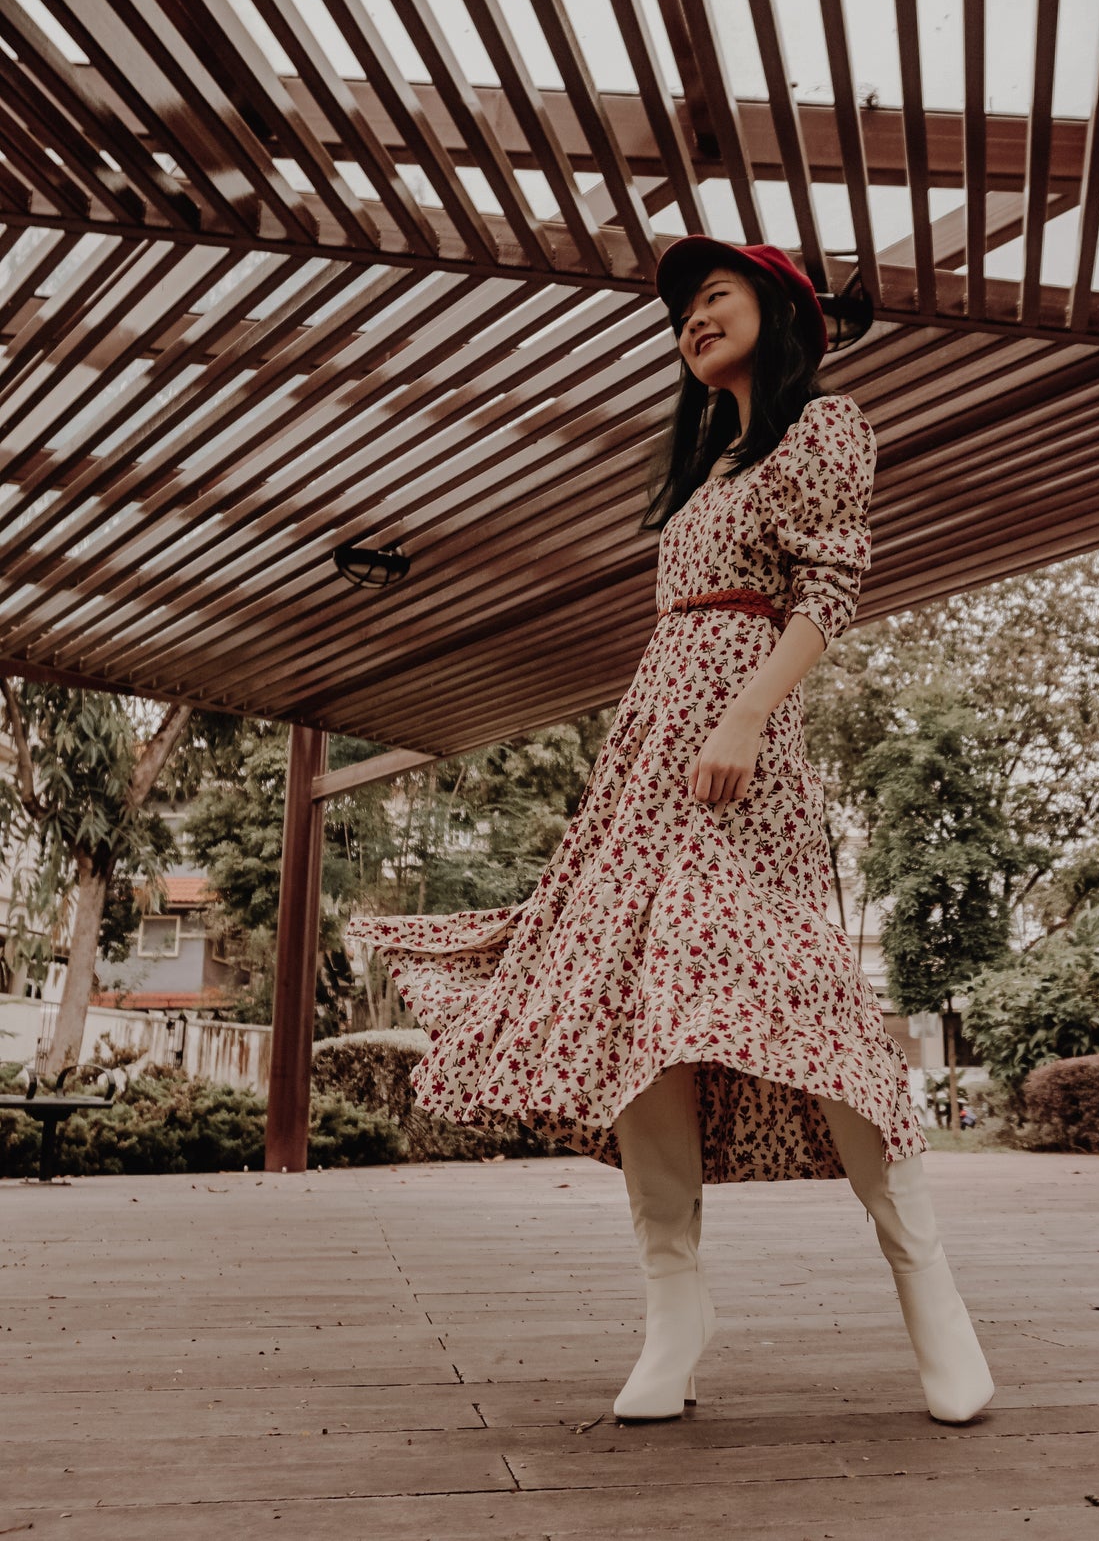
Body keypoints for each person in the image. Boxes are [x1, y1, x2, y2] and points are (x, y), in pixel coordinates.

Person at [344, 237, 994, 1426]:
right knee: (642, 1011)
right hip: (652, 758)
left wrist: (745, 716)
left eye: (714, 299)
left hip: (742, 762)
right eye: (683, 311)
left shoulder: (826, 427)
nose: (691, 322)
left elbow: (829, 594)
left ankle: (928, 1290)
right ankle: (672, 1310)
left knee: (807, 1000)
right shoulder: (704, 477)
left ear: (782, 313)